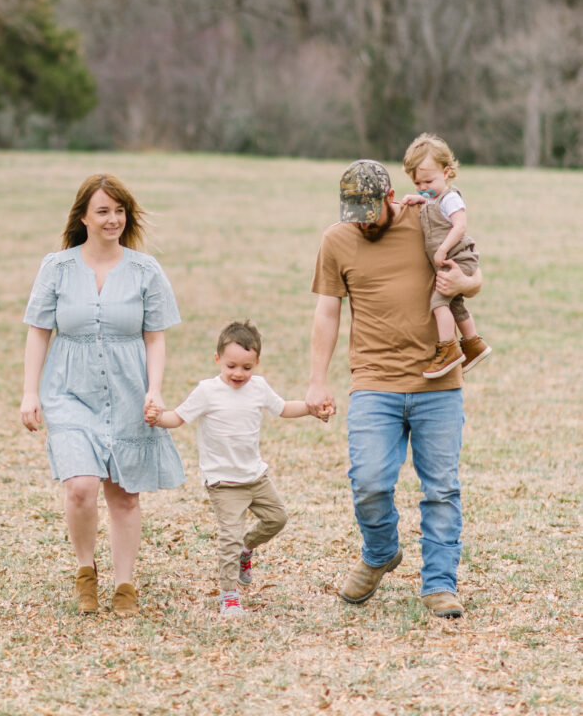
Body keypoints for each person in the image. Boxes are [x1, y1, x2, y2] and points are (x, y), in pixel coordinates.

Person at [305, 159, 483, 619]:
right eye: (354, 213)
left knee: (441, 489)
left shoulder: (427, 218)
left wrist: (463, 282)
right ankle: (380, 551)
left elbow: (473, 274)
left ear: (390, 198)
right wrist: (316, 380)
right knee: (368, 482)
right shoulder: (336, 240)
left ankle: (439, 584)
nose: (362, 222)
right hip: (373, 382)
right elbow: (327, 313)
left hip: (438, 381)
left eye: (370, 211)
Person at [20, 173, 184, 618]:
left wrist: (154, 389)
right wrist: (29, 392)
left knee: (124, 494)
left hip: (129, 390)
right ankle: (85, 571)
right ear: (84, 218)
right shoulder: (56, 267)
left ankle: (125, 584)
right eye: (103, 211)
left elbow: (156, 337)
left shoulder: (145, 270)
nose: (113, 219)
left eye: (119, 210)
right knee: (81, 486)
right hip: (68, 391)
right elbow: (38, 332)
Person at [145, 320, 318, 617]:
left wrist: (311, 408)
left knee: (277, 518)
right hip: (223, 481)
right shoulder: (207, 391)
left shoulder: (259, 388)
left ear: (257, 364)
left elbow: (284, 408)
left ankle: (246, 548)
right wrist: (157, 418)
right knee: (229, 537)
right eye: (231, 366)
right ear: (217, 360)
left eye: (246, 368)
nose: (239, 373)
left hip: (255, 475)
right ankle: (229, 595)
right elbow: (178, 418)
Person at [402, 133, 492, 378]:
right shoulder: (433, 197)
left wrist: (442, 249)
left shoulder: (451, 198)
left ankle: (448, 349)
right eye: (417, 183)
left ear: (447, 172)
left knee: (438, 303)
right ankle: (473, 344)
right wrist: (418, 198)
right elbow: (431, 201)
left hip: (458, 258)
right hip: (452, 260)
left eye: (427, 181)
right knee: (455, 303)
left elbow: (460, 225)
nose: (423, 188)